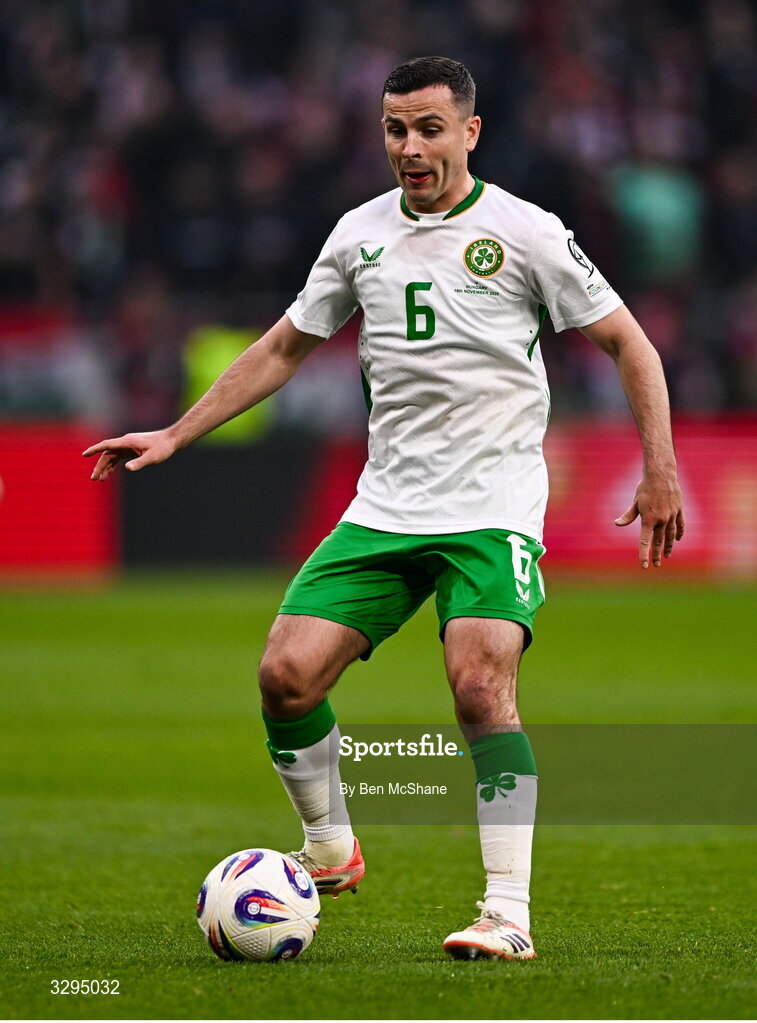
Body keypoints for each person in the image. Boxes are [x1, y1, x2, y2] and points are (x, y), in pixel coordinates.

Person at [84, 56, 685, 962]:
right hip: (386, 504)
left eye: (429, 128)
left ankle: (507, 913)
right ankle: (329, 851)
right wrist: (177, 432)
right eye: (395, 129)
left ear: (468, 133)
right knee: (284, 675)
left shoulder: (524, 232)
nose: (410, 147)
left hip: (490, 504)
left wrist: (660, 466)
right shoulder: (358, 234)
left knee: (480, 686)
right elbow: (286, 345)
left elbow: (628, 343)